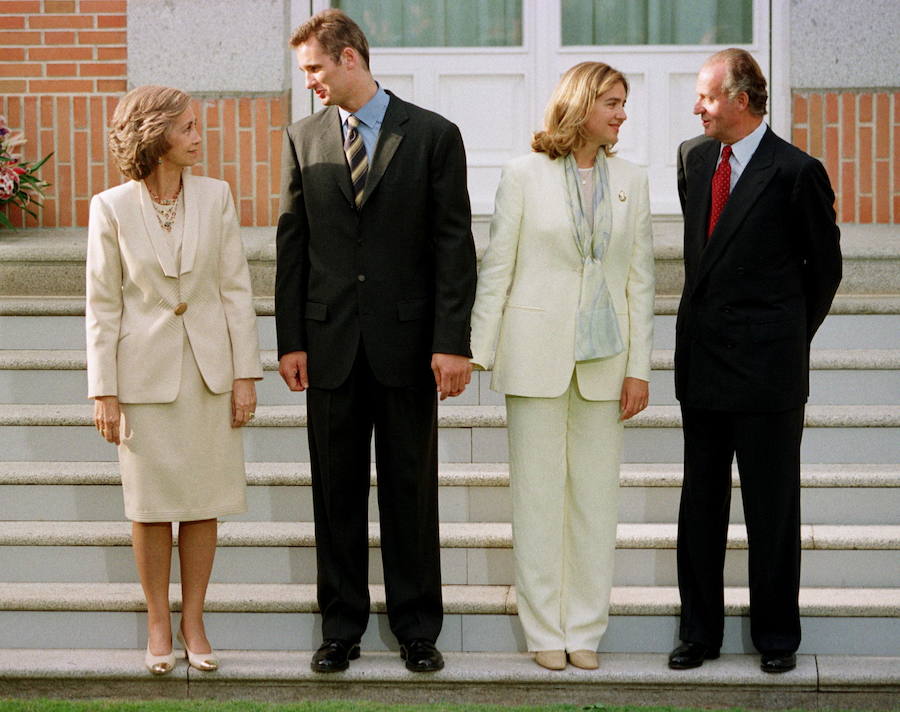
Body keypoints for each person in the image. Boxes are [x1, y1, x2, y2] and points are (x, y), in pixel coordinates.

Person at [275, 9, 476, 674]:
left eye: (315, 69)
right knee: (334, 494)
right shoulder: (302, 138)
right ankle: (341, 628)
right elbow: (292, 245)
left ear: (349, 58)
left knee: (409, 492)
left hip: (408, 346)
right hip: (329, 347)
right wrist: (290, 340)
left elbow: (453, 245)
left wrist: (452, 341)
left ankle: (418, 628)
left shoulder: (434, 136)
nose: (309, 83)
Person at [469, 62, 655, 671]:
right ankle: (544, 629)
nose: (622, 114)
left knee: (595, 505)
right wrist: (480, 350)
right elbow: (497, 267)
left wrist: (640, 369)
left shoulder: (633, 179)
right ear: (581, 103)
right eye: (613, 102)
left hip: (606, 361)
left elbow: (640, 282)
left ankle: (586, 630)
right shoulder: (524, 175)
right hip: (535, 355)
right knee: (538, 498)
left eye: (624, 103)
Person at [669, 49, 841, 674]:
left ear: (741, 100)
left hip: (769, 374)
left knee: (772, 510)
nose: (697, 108)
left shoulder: (796, 171)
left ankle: (776, 639)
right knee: (700, 507)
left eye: (707, 98)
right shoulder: (692, 159)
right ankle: (699, 634)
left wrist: (785, 339)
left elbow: (824, 272)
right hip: (704, 367)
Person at [86, 85, 262, 675]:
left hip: (210, 374)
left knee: (205, 500)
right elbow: (102, 307)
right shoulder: (109, 207)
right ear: (156, 135)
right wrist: (103, 390)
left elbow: (236, 289)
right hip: (142, 380)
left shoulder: (217, 197)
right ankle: (159, 622)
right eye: (187, 127)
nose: (197, 136)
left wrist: (245, 375)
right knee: (151, 505)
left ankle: (195, 621)